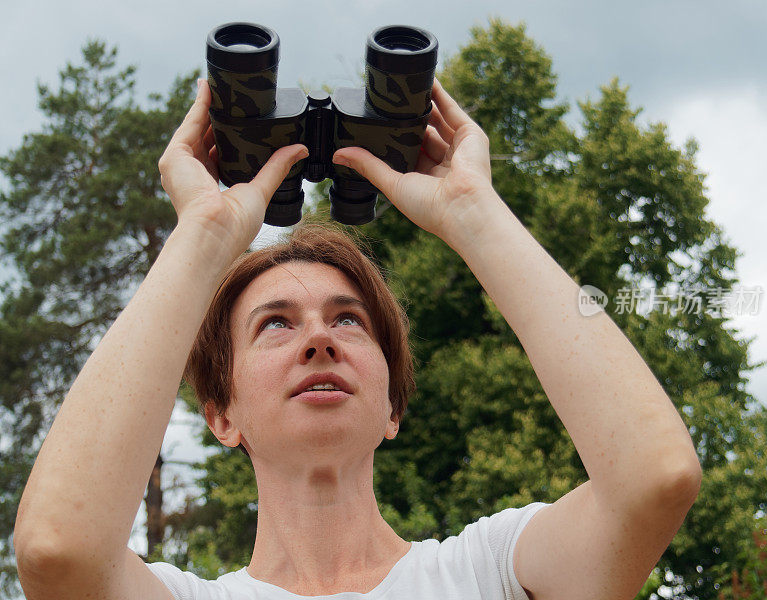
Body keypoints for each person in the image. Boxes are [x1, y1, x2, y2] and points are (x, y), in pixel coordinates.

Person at [13, 75, 702, 600]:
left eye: (348, 320)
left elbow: (652, 479)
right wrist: (204, 237)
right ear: (221, 414)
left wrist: (474, 213)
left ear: (393, 407)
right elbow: (55, 548)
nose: (320, 340)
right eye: (275, 323)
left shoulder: (487, 573)